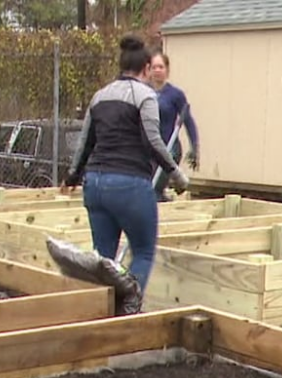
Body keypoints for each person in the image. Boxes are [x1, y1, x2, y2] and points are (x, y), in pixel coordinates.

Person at [61, 34, 189, 295]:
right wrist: (177, 175)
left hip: (95, 185)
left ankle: (104, 307)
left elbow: (85, 143)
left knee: (103, 259)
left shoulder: (99, 96)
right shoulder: (146, 96)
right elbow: (153, 141)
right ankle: (129, 307)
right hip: (129, 185)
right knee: (142, 251)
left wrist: (72, 177)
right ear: (146, 68)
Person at [148, 50, 199, 202]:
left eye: (161, 67)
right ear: (149, 70)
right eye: (154, 67)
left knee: (155, 188)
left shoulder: (175, 94)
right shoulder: (143, 92)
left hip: (169, 149)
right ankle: (168, 202)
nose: (157, 70)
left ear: (167, 70)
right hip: (149, 150)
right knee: (148, 189)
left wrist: (194, 147)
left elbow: (188, 120)